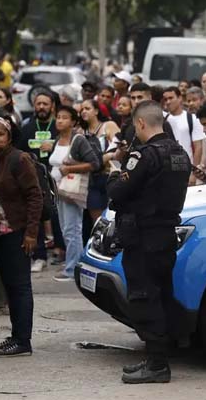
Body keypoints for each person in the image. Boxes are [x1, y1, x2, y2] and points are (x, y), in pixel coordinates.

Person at [107, 101, 192, 384]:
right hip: (165, 234)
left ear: (141, 123)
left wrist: (114, 174)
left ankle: (157, 364)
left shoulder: (144, 156)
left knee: (144, 298)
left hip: (143, 236)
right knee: (161, 295)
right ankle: (159, 357)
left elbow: (118, 192)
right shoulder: (180, 153)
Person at [0, 115, 43, 357]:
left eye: (0, 133)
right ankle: (15, 336)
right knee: (9, 286)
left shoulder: (19, 159)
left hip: (16, 233)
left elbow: (34, 197)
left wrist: (31, 233)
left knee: (20, 287)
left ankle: (23, 341)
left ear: (9, 137)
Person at [47, 106, 100, 282]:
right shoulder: (57, 140)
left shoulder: (78, 140)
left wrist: (69, 168)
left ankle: (73, 269)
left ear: (73, 122)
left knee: (72, 229)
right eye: (58, 117)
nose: (60, 120)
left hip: (72, 190)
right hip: (59, 190)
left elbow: (93, 163)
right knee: (66, 228)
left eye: (64, 117)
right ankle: (72, 263)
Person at [18, 88, 58, 272]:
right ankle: (39, 255)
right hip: (33, 178)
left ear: (52, 106)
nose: (41, 107)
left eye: (45, 104)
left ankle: (60, 249)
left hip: (57, 176)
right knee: (37, 215)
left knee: (58, 216)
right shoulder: (27, 128)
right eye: (38, 103)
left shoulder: (59, 126)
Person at [80, 99, 121, 224]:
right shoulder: (81, 132)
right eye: (81, 109)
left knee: (114, 216)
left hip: (110, 176)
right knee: (98, 221)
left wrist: (106, 156)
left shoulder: (108, 125)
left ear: (96, 111)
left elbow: (121, 145)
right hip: (91, 180)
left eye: (87, 108)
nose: (83, 112)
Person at [163, 87, 205, 170]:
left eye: (171, 98)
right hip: (167, 168)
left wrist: (194, 172)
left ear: (180, 98)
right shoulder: (163, 119)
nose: (168, 102)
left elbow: (198, 147)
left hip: (187, 166)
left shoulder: (192, 118)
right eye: (165, 99)